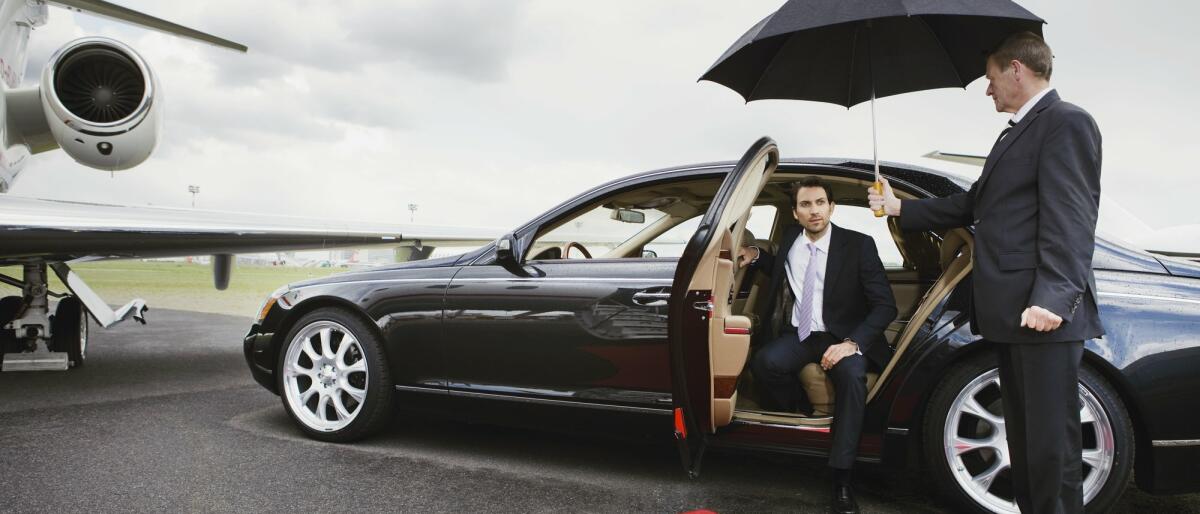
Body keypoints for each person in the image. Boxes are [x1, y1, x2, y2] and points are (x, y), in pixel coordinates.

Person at [868, 31, 1104, 514]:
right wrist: (898, 207)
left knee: (1048, 446)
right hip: (1014, 312)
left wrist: (1054, 298)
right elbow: (975, 203)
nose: (987, 88)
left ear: (1017, 69)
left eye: (991, 76)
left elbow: (1072, 217)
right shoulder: (1018, 130)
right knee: (1028, 439)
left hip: (1042, 313)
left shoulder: (1065, 122)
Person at [739, 176, 896, 514]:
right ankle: (803, 413)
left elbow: (886, 306)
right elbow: (780, 269)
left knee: (853, 378)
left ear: (831, 206)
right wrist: (754, 255)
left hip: (843, 336)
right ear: (795, 212)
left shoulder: (859, 245)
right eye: (806, 205)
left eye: (820, 203)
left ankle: (842, 478)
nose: (814, 211)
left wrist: (853, 343)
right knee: (765, 363)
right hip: (800, 333)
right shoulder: (792, 237)